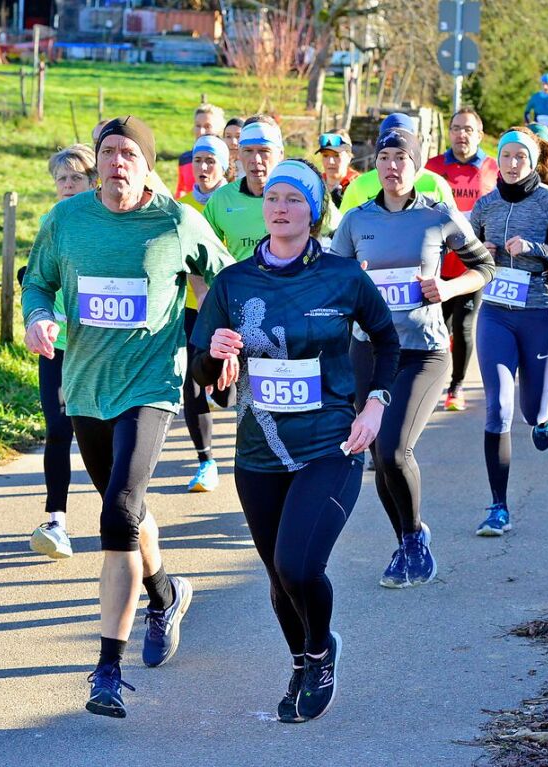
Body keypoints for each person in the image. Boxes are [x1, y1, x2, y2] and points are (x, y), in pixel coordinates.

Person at [21, 116, 233, 718]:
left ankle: (107, 671)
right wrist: (38, 318)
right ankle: (165, 592)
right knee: (127, 504)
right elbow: (38, 283)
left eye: (129, 154)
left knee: (116, 512)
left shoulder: (175, 220)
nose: (117, 162)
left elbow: (226, 279)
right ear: (95, 160)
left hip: (151, 386)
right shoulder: (65, 221)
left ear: (147, 165)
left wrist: (222, 335)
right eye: (108, 151)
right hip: (86, 388)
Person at [190, 158, 400, 723]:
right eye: (273, 198)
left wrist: (375, 405)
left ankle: (321, 650)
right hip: (258, 452)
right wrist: (216, 355)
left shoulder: (343, 276)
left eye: (293, 199)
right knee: (278, 577)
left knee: (299, 566)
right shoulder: (234, 282)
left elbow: (386, 340)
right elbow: (201, 369)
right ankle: (300, 662)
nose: (280, 208)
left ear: (312, 210)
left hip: (332, 445)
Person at [333, 127, 494, 587]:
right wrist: (352, 283)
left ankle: (412, 537)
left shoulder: (438, 216)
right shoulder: (356, 221)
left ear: (417, 165)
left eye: (401, 157)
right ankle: (409, 538)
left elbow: (484, 266)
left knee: (394, 448)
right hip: (369, 350)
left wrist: (447, 287)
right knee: (380, 458)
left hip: (423, 351)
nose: (391, 165)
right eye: (384, 157)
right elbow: (333, 279)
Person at [468, 130, 548, 536]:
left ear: (533, 161)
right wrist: (480, 251)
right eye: (506, 156)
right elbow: (463, 251)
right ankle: (497, 507)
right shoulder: (485, 204)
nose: (512, 163)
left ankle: (544, 414)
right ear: (497, 160)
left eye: (521, 156)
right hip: (496, 315)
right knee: (497, 409)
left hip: (542, 314)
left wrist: (537, 249)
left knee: (531, 410)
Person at [24, 144, 98, 559]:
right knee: (57, 430)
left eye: (76, 178)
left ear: (93, 182)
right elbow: (39, 276)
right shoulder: (49, 223)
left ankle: (122, 512)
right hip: (56, 347)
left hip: (98, 348)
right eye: (61, 179)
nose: (68, 186)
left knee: (97, 435)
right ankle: (56, 520)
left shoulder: (105, 223)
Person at [425, 107, 499, 411]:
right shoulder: (431, 168)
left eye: (468, 129)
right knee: (434, 327)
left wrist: (492, 241)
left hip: (471, 265)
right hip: (434, 265)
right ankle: (429, 384)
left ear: (479, 135)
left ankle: (456, 386)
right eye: (456, 128)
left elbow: (500, 210)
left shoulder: (493, 168)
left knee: (465, 326)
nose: (461, 134)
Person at [204, 116, 340, 261]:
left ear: (280, 154)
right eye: (248, 151)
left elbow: (343, 238)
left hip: (298, 283)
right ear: (239, 154)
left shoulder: (307, 193)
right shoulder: (221, 199)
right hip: (243, 282)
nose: (256, 159)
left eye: (264, 151)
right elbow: (198, 257)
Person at [176, 135, 230, 492]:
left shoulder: (236, 200)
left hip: (234, 309)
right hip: (193, 308)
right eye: (198, 160)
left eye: (211, 160)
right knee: (191, 384)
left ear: (224, 165)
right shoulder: (181, 205)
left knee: (230, 393)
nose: (204, 167)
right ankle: (206, 461)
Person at [337, 113, 455, 212]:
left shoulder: (436, 184)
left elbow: (456, 232)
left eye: (400, 156)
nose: (392, 165)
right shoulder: (360, 185)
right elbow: (342, 230)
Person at [175, 103, 225, 198]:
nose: (201, 131)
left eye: (207, 126)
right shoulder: (185, 159)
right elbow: (180, 190)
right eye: (198, 126)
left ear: (220, 129)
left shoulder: (228, 159)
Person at [316, 129, 359, 207]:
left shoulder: (359, 185)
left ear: (349, 157)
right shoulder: (315, 184)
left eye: (337, 155)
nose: (330, 161)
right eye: (325, 156)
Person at [223, 116, 244, 181]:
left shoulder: (252, 168)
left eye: (238, 136)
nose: (233, 142)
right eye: (228, 136)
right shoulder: (218, 166)